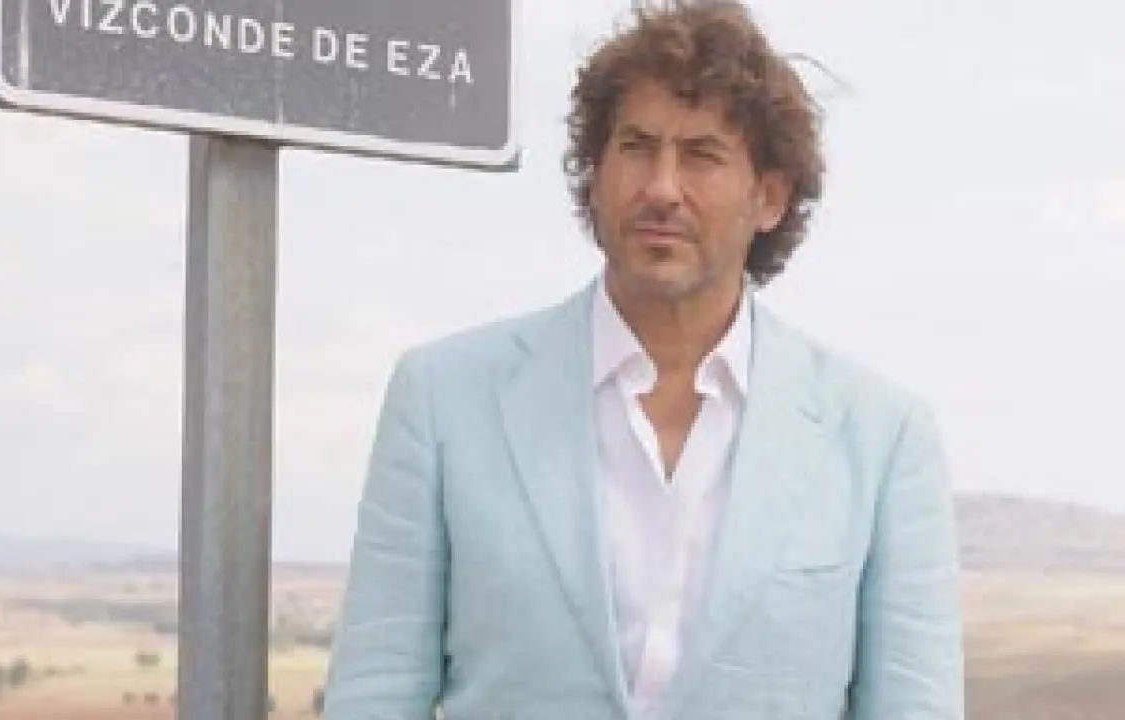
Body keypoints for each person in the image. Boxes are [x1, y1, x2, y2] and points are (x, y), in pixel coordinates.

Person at [321, 2, 964, 719]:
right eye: (636, 147)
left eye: (702, 155)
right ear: (594, 177)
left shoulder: (880, 437)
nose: (661, 188)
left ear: (769, 198)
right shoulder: (444, 400)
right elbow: (375, 692)